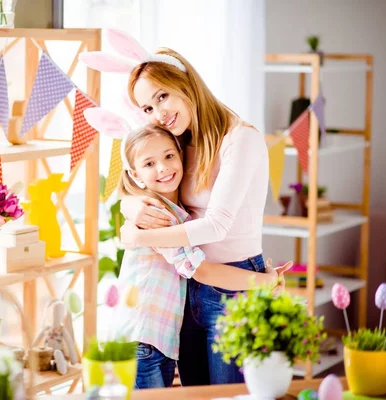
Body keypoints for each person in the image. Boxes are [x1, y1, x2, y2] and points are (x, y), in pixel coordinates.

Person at [80, 29, 276, 385]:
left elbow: (217, 225)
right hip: (188, 284)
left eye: (162, 96)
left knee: (228, 394)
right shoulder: (179, 142)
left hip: (231, 281)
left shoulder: (240, 139)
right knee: (194, 391)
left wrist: (140, 238)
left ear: (185, 81)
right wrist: (132, 211)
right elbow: (145, 180)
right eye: (148, 108)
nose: (159, 113)